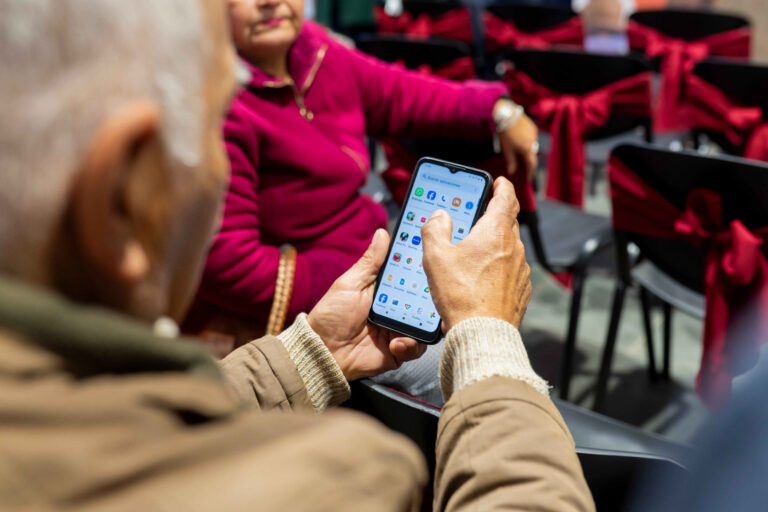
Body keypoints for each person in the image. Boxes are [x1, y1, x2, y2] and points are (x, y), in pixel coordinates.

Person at [0, 0, 593, 510]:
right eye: (209, 132)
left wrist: (313, 353)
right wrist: (488, 339)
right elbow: (227, 261)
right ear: (118, 196)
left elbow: (407, 92)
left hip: (346, 308)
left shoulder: (320, 54)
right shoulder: (348, 477)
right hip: (331, 295)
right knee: (487, 378)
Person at [188, 0, 540, 348]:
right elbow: (226, 264)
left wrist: (496, 109)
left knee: (484, 313)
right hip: (307, 311)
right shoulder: (215, 102)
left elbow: (400, 92)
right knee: (477, 347)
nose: (270, 2)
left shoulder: (314, 50)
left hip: (372, 267)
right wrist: (349, 282)